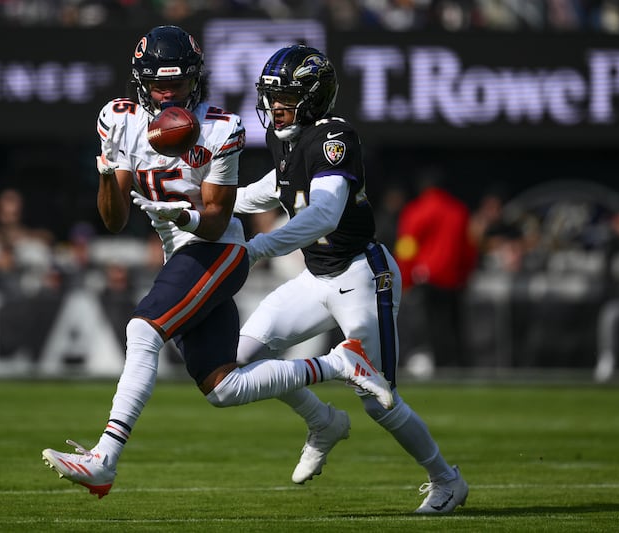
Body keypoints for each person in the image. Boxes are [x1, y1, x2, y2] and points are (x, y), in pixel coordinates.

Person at [41, 26, 392, 500]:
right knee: (223, 387)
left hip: (219, 251)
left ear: (197, 79)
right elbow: (114, 219)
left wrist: (182, 213)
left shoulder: (221, 127)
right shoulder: (118, 120)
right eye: (162, 85)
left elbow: (215, 221)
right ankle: (332, 390)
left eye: (181, 83)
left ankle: (104, 459)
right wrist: (107, 170)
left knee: (142, 331)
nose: (171, 94)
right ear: (141, 83)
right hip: (180, 256)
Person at [233, 45, 468, 514]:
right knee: (231, 361)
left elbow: (323, 213)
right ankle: (322, 421)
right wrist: (199, 205)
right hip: (315, 277)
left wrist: (258, 248)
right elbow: (269, 191)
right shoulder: (288, 138)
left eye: (285, 96)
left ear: (314, 97)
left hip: (362, 275)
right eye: (271, 95)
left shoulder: (335, 136)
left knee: (378, 400)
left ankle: (447, 481)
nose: (274, 105)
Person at [394, 168, 478, 369]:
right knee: (454, 327)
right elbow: (468, 249)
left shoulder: (416, 210)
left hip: (426, 279)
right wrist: (465, 276)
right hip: (453, 279)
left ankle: (439, 367)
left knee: (430, 328)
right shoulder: (459, 211)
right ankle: (459, 366)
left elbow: (407, 248)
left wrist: (403, 280)